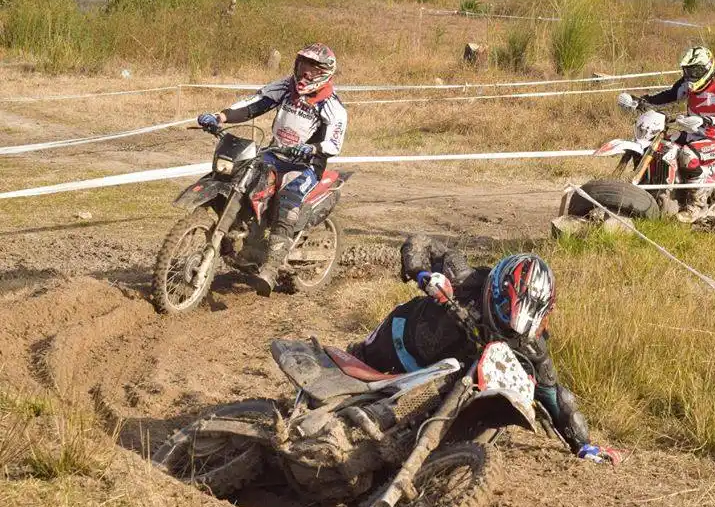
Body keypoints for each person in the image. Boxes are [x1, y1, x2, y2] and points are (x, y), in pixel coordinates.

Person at [348, 235, 621, 464]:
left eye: (524, 323)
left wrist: (584, 446)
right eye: (505, 311)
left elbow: (555, 398)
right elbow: (420, 241)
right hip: (399, 338)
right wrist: (422, 273)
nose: (512, 328)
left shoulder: (530, 343)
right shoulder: (466, 279)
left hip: (437, 379)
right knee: (352, 372)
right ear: (497, 290)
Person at [197, 43, 347, 296]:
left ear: (324, 72)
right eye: (302, 65)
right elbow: (254, 103)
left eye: (312, 68)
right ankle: (242, 238)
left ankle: (271, 268)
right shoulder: (286, 88)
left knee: (287, 201)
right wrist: (220, 117)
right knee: (242, 180)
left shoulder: (332, 106)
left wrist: (311, 149)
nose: (305, 73)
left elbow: (334, 142)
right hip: (275, 154)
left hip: (306, 165)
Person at [617, 46, 715, 222]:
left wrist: (708, 120)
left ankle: (697, 206)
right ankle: (658, 191)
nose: (691, 75)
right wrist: (641, 100)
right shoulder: (688, 83)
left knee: (687, 155)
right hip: (693, 134)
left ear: (707, 67)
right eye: (687, 70)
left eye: (695, 70)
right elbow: (668, 95)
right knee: (659, 146)